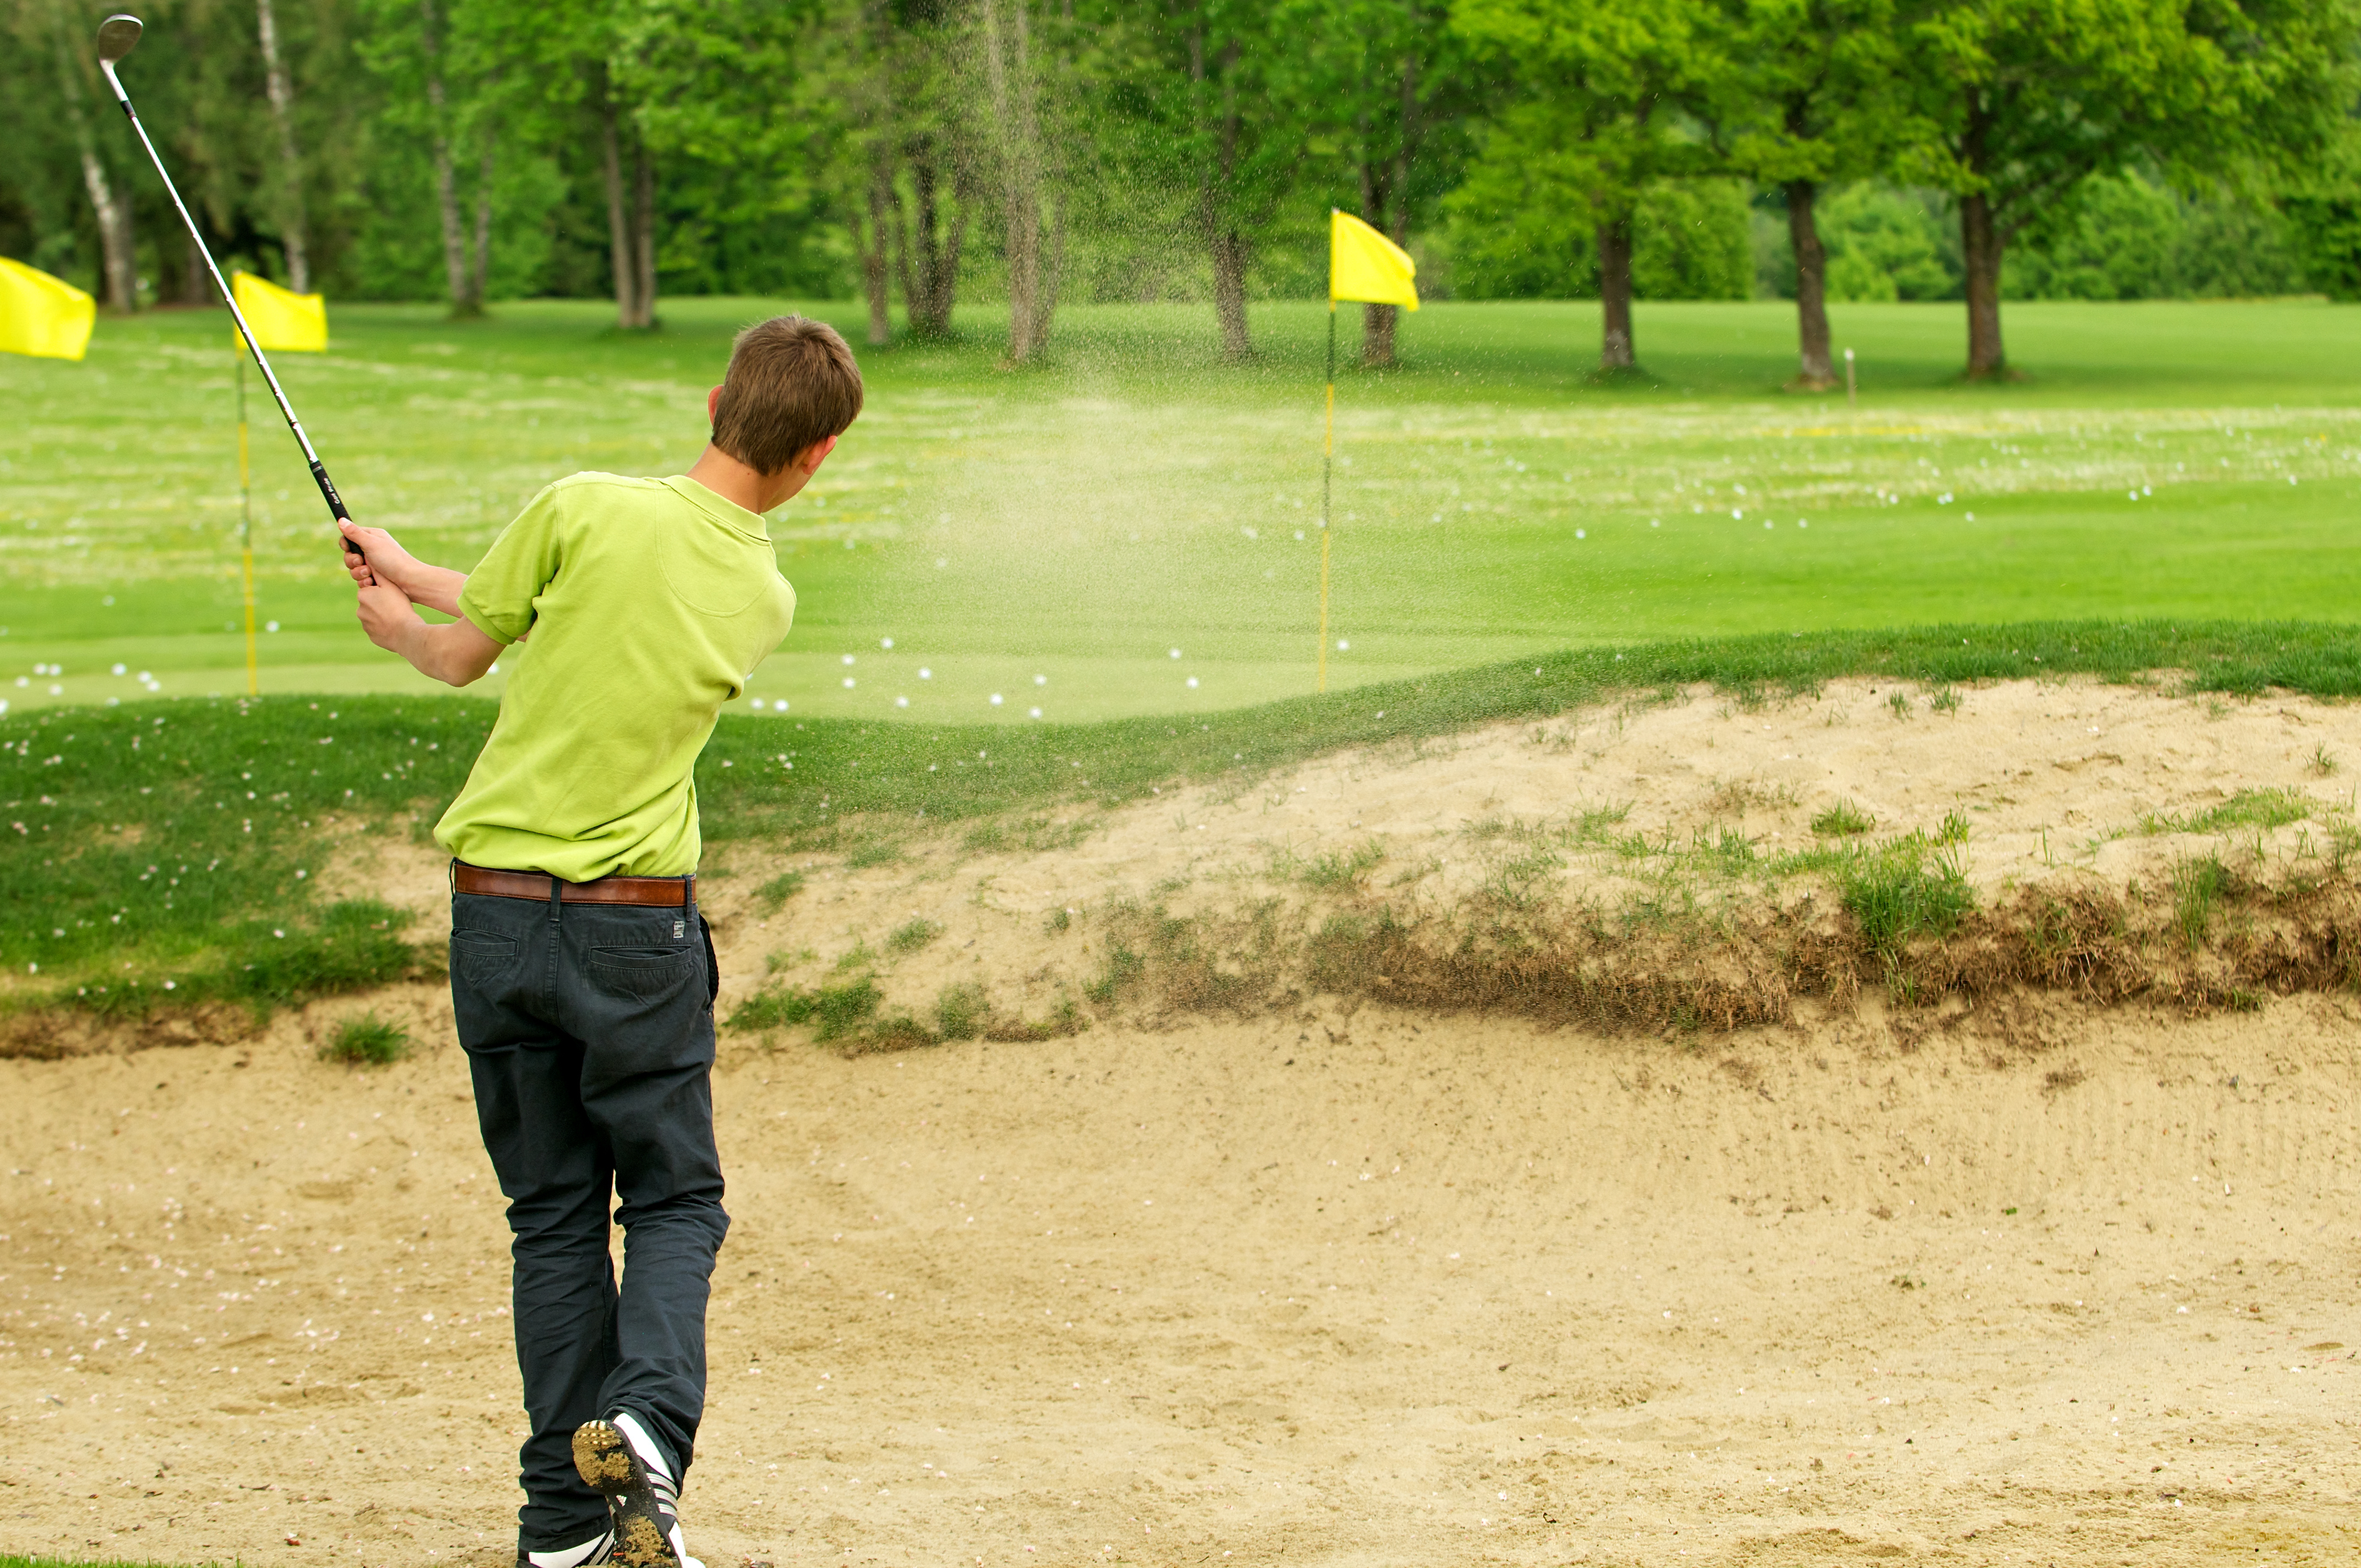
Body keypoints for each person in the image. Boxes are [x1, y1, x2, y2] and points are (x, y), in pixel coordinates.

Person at [342, 314, 862, 1568]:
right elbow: (578, 613)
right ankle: (643, 1421)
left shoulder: (579, 505)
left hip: (498, 916)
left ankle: (561, 1527)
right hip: (635, 932)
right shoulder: (763, 592)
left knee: (554, 1215)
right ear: (817, 457)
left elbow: (481, 646)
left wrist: (404, 621)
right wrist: (416, 567)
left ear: (710, 401)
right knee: (675, 1195)